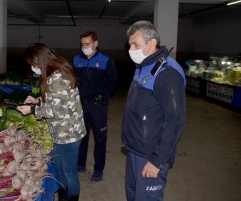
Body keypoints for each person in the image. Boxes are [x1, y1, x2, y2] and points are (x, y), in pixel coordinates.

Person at [122, 20, 186, 201]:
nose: (131, 49)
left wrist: (157, 160)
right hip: (135, 148)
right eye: (130, 45)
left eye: (136, 44)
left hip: (150, 154)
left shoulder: (167, 74)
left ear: (151, 43)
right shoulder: (144, 66)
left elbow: (176, 120)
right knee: (133, 195)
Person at [17, 43, 86, 201]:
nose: (32, 67)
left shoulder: (58, 77)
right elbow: (56, 101)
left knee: (69, 172)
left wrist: (32, 110)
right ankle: (64, 194)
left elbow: (56, 110)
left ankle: (72, 197)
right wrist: (38, 101)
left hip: (69, 134)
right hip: (60, 132)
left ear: (39, 61)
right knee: (60, 168)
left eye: (32, 64)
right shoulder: (52, 74)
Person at [73, 31, 118, 181]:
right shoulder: (76, 60)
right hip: (81, 105)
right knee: (82, 137)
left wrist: (104, 96)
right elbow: (73, 81)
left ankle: (98, 169)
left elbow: (113, 82)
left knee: (100, 139)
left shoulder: (105, 60)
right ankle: (80, 164)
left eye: (87, 44)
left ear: (95, 44)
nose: (84, 47)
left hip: (98, 107)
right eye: (82, 44)